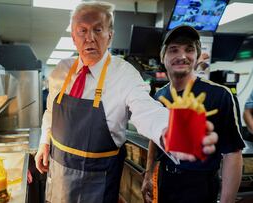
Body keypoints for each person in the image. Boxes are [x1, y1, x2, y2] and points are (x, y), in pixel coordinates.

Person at [35, 2, 218, 202]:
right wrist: (44, 142)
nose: (90, 38)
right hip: (58, 177)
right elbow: (51, 112)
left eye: (98, 29)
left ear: (110, 35)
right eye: (82, 31)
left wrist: (174, 130)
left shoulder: (125, 75)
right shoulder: (61, 70)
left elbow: (147, 110)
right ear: (73, 37)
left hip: (98, 186)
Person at [141, 25, 245, 203]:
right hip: (165, 180)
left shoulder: (219, 95)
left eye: (189, 50)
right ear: (163, 57)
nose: (182, 56)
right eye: (174, 50)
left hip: (199, 185)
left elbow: (232, 154)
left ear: (197, 56)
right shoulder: (159, 96)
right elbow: (154, 137)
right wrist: (149, 173)